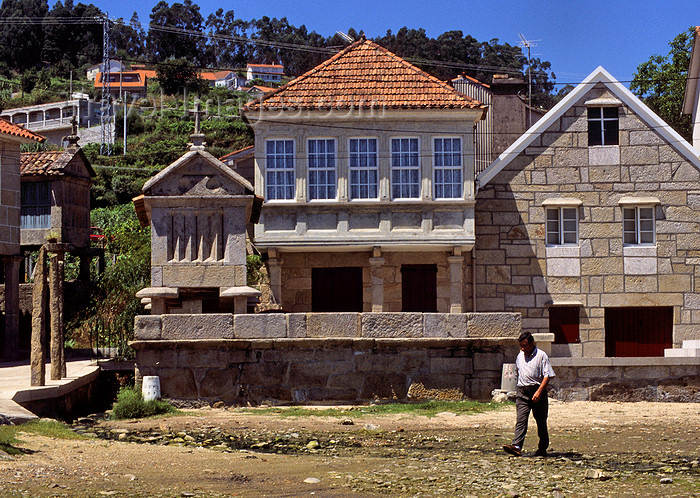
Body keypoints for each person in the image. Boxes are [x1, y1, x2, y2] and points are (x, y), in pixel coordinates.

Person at [503, 331, 555, 457]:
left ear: (531, 344)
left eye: (525, 345)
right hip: (522, 392)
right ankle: (516, 446)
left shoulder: (541, 355)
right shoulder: (520, 355)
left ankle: (542, 448)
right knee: (521, 420)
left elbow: (548, 375)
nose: (522, 348)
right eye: (521, 346)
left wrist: (538, 392)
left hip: (537, 391)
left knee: (541, 422)